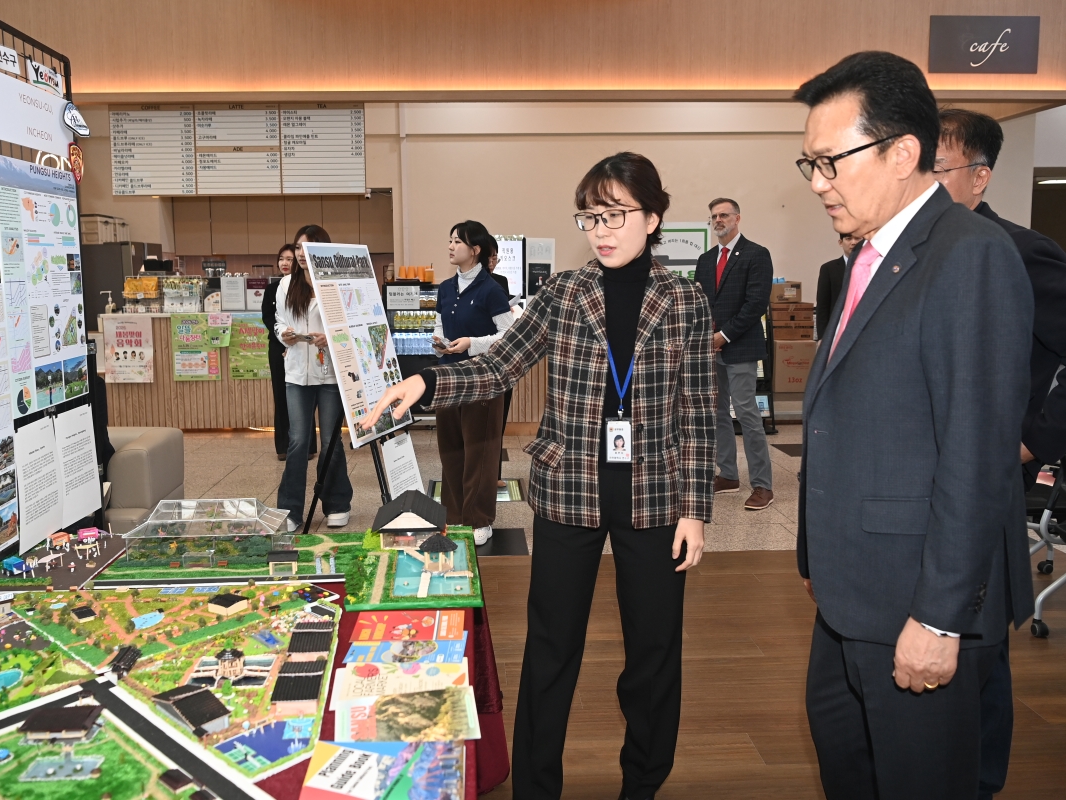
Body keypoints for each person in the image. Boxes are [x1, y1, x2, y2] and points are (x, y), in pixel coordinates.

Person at [361, 151, 715, 800]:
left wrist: (695, 509)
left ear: (653, 217)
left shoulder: (686, 300)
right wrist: (425, 382)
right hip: (568, 491)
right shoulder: (564, 294)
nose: (601, 230)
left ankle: (643, 784)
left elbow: (696, 411)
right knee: (551, 653)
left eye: (615, 215)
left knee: (654, 658)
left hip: (655, 497)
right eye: (590, 216)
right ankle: (536, 788)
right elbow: (498, 368)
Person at [793, 51, 1034, 800]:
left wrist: (939, 619)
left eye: (831, 161)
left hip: (917, 610)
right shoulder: (871, 258)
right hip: (849, 600)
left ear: (903, 152)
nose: (818, 183)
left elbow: (977, 455)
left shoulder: (969, 256)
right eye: (809, 163)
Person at [933, 107, 1066, 800]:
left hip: (985, 485)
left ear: (979, 178)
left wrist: (1034, 436)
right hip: (920, 491)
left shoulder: (1017, 249)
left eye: (939, 168)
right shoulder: (906, 252)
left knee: (980, 648)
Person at [432, 221, 512, 546]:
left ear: (475, 250)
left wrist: (472, 343)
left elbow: (508, 335)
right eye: (449, 240)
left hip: (482, 379)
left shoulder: (491, 289)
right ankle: (454, 514)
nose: (451, 246)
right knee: (450, 448)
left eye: (457, 241)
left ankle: (479, 518)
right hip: (449, 377)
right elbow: (439, 324)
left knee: (479, 450)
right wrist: (438, 343)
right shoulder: (445, 288)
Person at [694, 197, 774, 510]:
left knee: (746, 413)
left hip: (739, 345)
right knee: (716, 414)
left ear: (737, 218)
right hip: (709, 347)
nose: (718, 220)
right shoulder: (705, 259)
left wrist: (723, 336)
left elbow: (756, 304)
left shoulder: (756, 254)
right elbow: (701, 304)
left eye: (724, 215)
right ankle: (727, 474)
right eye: (713, 216)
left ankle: (762, 485)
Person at [274, 224, 353, 531]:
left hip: (331, 374)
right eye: (297, 249)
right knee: (297, 441)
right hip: (296, 373)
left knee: (331, 440)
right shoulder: (286, 285)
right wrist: (286, 335)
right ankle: (291, 511)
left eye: (306, 249)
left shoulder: (336, 284)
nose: (300, 255)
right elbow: (279, 321)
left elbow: (348, 325)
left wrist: (330, 338)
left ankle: (337, 503)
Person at [262, 243, 317, 462]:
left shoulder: (305, 286)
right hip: (278, 348)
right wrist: (284, 340)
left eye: (289, 259)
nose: (285, 263)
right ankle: (283, 447)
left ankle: (309, 445)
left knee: (305, 397)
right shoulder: (272, 289)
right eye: (281, 259)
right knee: (282, 397)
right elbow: (269, 319)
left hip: (303, 347)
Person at [485, 234, 515, 489]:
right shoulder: (459, 285)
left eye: (496, 257)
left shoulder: (500, 282)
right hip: (478, 359)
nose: (493, 261)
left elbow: (503, 322)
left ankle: (494, 473)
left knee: (497, 422)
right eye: (490, 256)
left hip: (499, 358)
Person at [814, 232, 862, 339]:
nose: (853, 243)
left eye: (857, 239)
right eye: (848, 239)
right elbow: (822, 306)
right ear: (841, 242)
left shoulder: (872, 266)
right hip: (836, 330)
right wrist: (822, 337)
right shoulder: (829, 269)